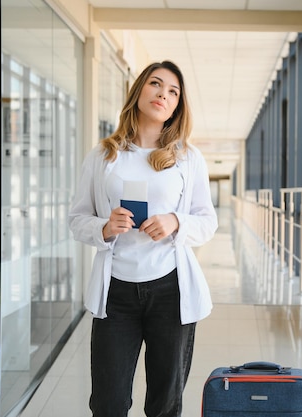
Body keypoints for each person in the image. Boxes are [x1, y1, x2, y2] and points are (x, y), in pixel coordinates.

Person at [68, 60, 218, 417]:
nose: (163, 95)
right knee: (108, 402)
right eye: (156, 84)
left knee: (165, 403)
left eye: (173, 92)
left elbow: (207, 221)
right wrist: (104, 227)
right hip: (116, 292)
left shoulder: (187, 158)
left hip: (171, 290)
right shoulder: (104, 156)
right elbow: (77, 220)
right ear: (139, 92)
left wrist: (175, 221)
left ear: (177, 106)